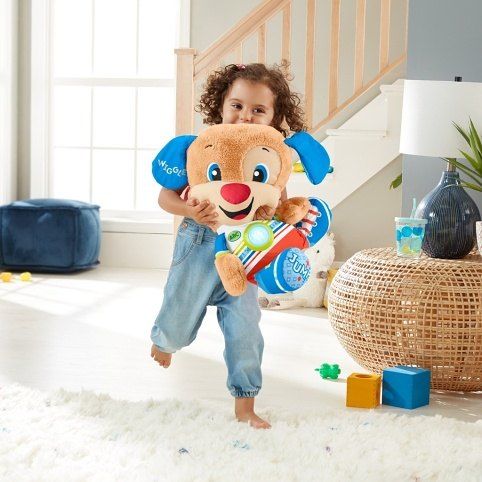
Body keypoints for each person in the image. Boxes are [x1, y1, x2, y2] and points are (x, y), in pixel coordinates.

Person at [150, 62, 306, 429]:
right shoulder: (203, 150)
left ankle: (245, 404)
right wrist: (189, 209)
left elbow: (276, 206)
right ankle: (165, 340)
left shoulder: (270, 160)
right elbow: (164, 198)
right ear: (220, 105)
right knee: (178, 316)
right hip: (199, 245)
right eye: (237, 105)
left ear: (274, 118)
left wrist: (280, 216)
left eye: (258, 110)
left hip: (243, 255)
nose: (245, 116)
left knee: (245, 331)